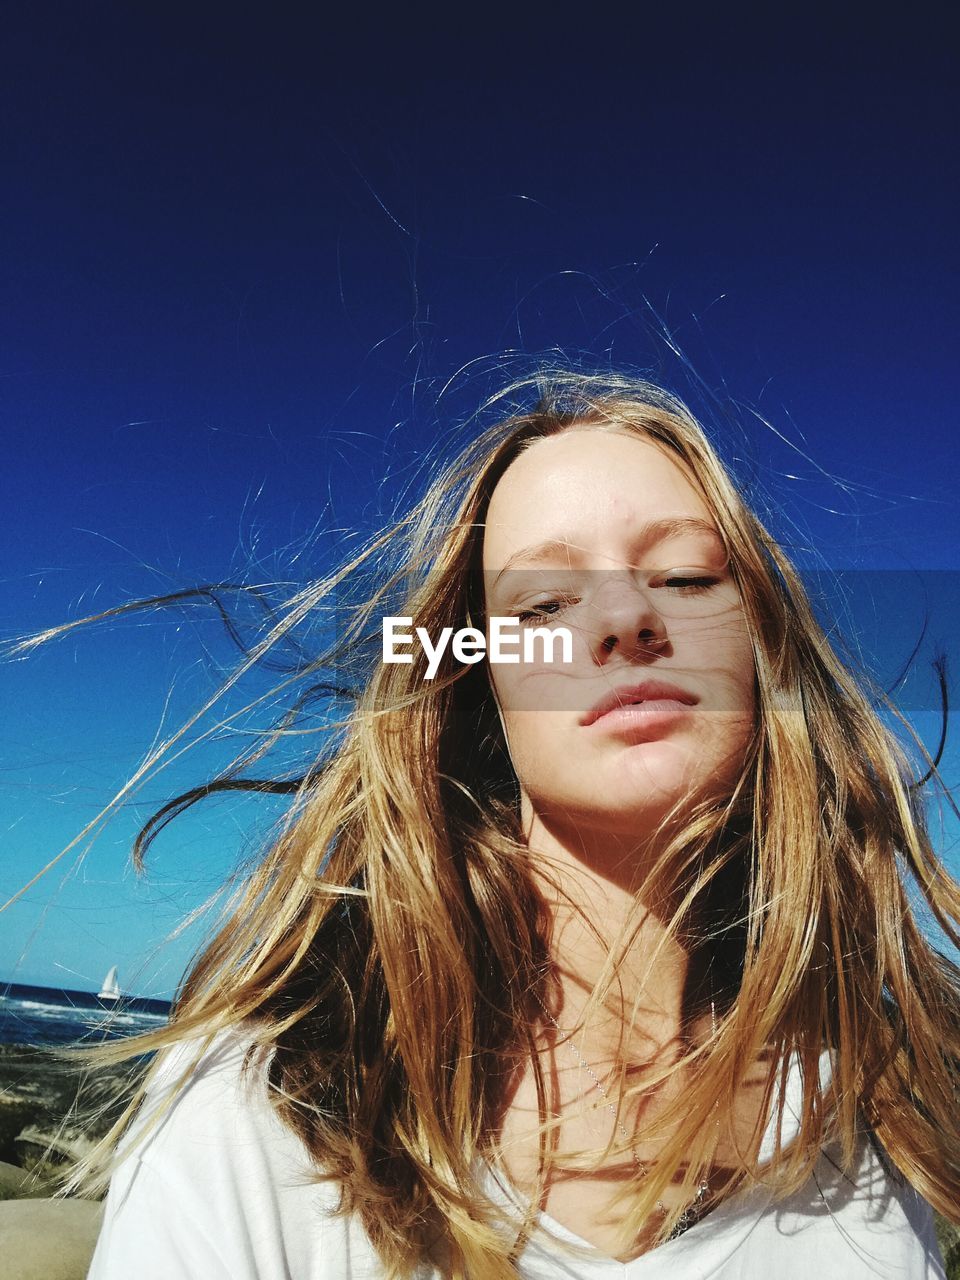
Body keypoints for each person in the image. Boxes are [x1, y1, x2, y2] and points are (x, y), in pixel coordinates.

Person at [45, 369, 959, 1276]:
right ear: (482, 694)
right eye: (544, 604)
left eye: (685, 575)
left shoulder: (879, 1128)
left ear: (762, 656)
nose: (625, 617)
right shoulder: (268, 1113)